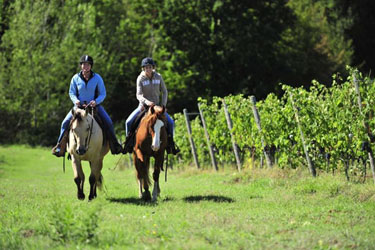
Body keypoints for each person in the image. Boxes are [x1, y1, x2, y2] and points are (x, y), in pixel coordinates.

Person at [52, 55, 123, 157]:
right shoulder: (75, 78)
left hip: (94, 107)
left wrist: (96, 101)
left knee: (109, 122)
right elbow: (71, 92)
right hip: (78, 107)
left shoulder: (97, 78)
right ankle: (60, 147)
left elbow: (103, 93)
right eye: (84, 64)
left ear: (91, 66)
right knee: (64, 123)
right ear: (81, 66)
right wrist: (76, 101)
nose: (86, 66)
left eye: (88, 64)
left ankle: (114, 145)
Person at [123, 57, 180, 155]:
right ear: (143, 68)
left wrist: (163, 105)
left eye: (150, 67)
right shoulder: (140, 78)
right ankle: (128, 144)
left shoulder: (158, 76)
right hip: (143, 107)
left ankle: (171, 145)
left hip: (157, 107)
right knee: (128, 122)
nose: (148, 69)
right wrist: (147, 102)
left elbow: (165, 91)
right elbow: (138, 94)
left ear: (153, 67)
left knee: (170, 122)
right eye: (146, 67)